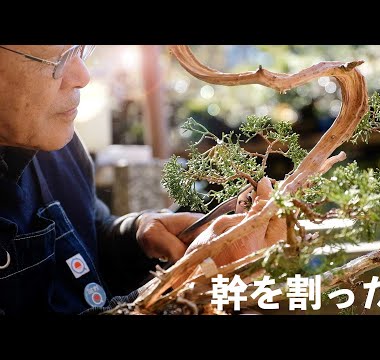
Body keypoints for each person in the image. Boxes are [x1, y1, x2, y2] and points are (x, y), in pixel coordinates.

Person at [0, 45, 284, 315]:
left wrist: (138, 235)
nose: (83, 75)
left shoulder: (55, 144)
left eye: (80, 49)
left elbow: (88, 235)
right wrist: (192, 281)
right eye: (58, 59)